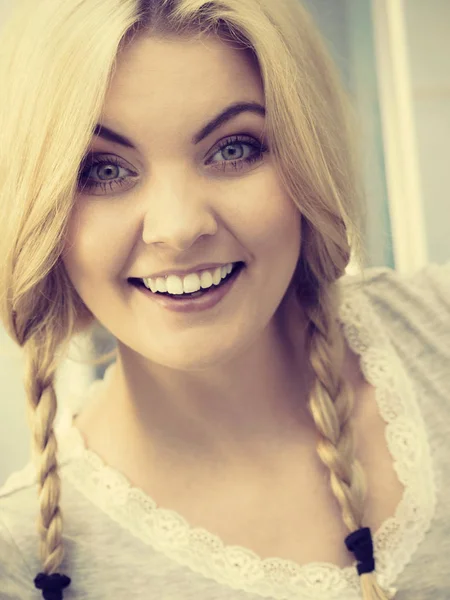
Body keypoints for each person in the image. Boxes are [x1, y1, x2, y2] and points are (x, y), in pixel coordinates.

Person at [0, 0, 449, 598]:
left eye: (233, 149)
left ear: (307, 158)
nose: (179, 227)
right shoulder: (20, 557)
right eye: (102, 170)